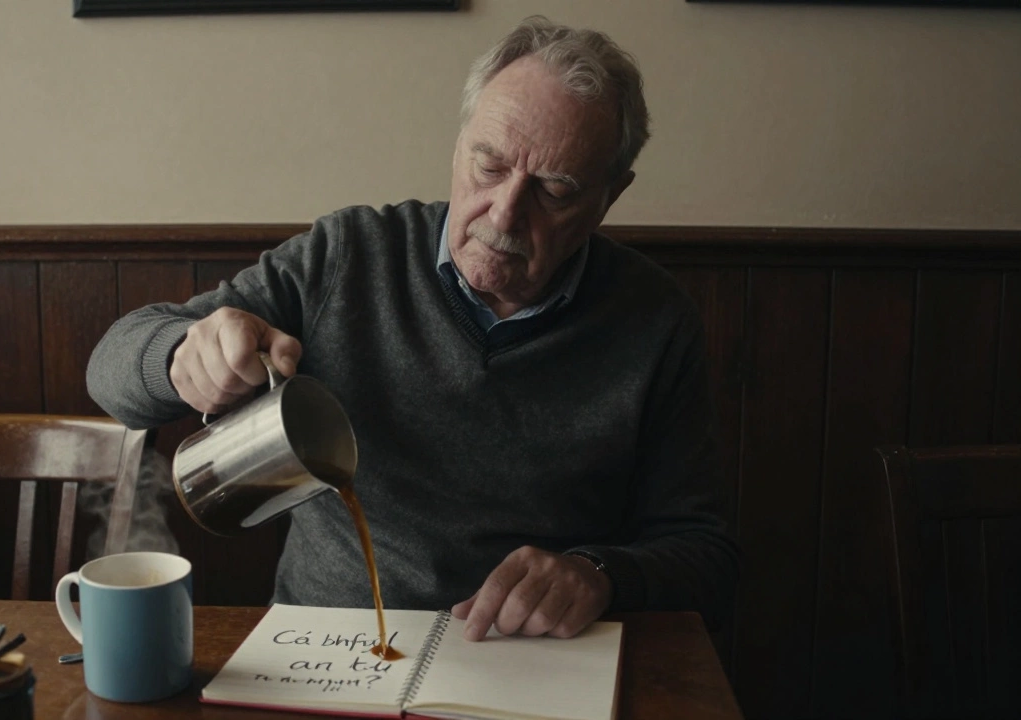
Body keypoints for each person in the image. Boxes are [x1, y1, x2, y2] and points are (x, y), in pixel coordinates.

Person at [87, 15, 738, 641]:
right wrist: (181, 354)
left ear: (610, 195)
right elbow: (110, 374)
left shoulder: (654, 320)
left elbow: (705, 557)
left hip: (532, 661)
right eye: (488, 164)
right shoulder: (346, 256)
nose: (505, 214)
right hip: (329, 645)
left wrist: (601, 575)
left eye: (555, 191)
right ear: (458, 147)